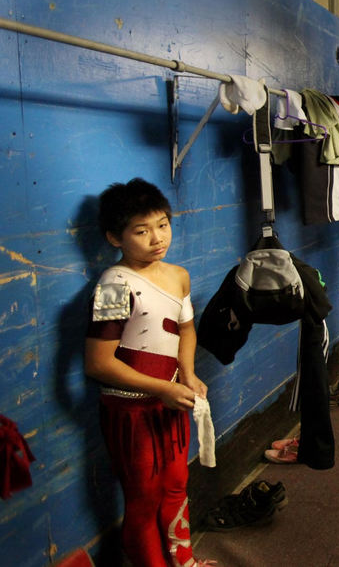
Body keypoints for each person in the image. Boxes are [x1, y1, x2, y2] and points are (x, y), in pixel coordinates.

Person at [84, 178, 214, 567]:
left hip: (169, 403)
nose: (157, 238)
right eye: (141, 231)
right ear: (114, 238)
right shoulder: (113, 285)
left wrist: (186, 374)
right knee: (143, 499)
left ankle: (184, 561)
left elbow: (186, 329)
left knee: (176, 485)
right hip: (130, 412)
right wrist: (161, 388)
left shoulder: (178, 275)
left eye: (163, 224)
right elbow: (98, 363)